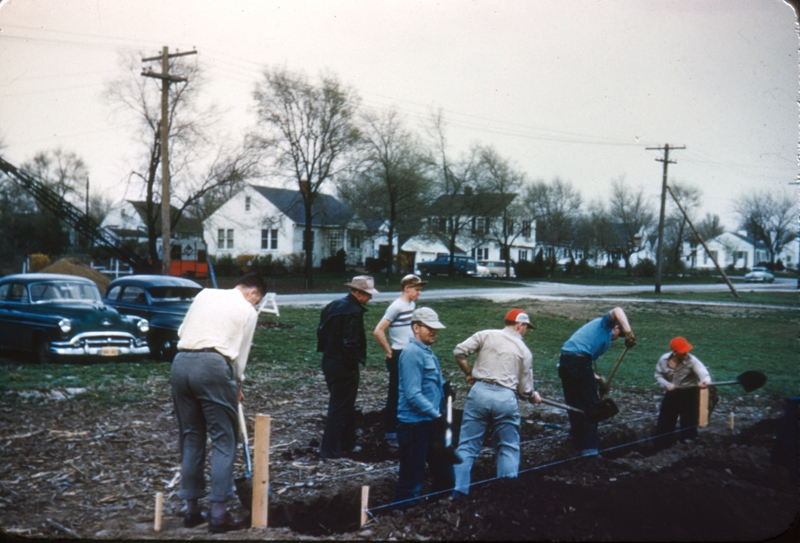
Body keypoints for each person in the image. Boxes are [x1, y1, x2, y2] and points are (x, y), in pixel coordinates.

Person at [170, 272, 266, 533]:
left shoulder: (205, 294)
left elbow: (182, 330)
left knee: (191, 436)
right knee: (225, 439)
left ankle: (191, 510)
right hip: (213, 366)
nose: (254, 305)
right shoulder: (248, 310)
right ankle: (218, 514)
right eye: (256, 301)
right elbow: (240, 354)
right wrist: (237, 385)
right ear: (253, 294)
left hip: (180, 364)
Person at [451, 309, 541, 498]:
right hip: (505, 398)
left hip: (479, 392)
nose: (525, 331)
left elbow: (459, 352)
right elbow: (525, 391)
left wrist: (469, 373)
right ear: (519, 325)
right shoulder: (524, 351)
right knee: (507, 446)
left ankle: (458, 491)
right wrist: (533, 395)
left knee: (467, 445)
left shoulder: (485, 335)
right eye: (525, 327)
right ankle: (506, 494)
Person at [392, 307, 455, 510]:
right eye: (429, 328)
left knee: (445, 476)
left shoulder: (426, 351)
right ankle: (399, 518)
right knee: (411, 481)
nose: (433, 331)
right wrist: (437, 414)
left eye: (435, 328)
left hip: (430, 424)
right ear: (416, 327)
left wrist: (445, 386)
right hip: (414, 427)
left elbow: (432, 377)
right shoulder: (411, 353)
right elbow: (412, 394)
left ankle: (433, 513)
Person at [558, 307, 635, 458]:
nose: (616, 338)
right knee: (591, 408)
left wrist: (600, 384)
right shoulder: (604, 325)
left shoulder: (596, 338)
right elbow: (617, 310)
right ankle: (590, 452)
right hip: (578, 362)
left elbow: (585, 367)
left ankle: (579, 448)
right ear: (617, 326)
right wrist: (629, 332)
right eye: (619, 334)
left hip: (567, 362)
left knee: (575, 406)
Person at [317, 275, 378, 460]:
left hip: (329, 361)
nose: (370, 298)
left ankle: (347, 442)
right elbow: (350, 343)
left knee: (346, 406)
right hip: (344, 365)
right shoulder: (353, 311)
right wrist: (352, 365)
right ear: (358, 293)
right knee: (338, 408)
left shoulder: (333, 305)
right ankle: (330, 451)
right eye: (368, 294)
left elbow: (321, 331)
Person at [373, 274, 427, 448]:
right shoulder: (396, 306)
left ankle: (408, 427)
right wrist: (389, 351)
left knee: (411, 391)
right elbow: (378, 331)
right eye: (417, 289)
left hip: (412, 352)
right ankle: (391, 432)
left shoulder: (412, 305)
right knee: (396, 393)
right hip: (399, 353)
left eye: (420, 290)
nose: (419, 293)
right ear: (406, 288)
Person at [654, 336, 711, 445]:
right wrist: (667, 384)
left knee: (688, 421)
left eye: (687, 351)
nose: (686, 354)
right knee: (665, 420)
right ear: (675, 353)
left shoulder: (692, 361)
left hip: (689, 393)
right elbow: (658, 375)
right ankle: (661, 445)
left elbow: (704, 374)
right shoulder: (663, 359)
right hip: (672, 393)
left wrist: (704, 382)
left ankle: (687, 445)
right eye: (683, 352)